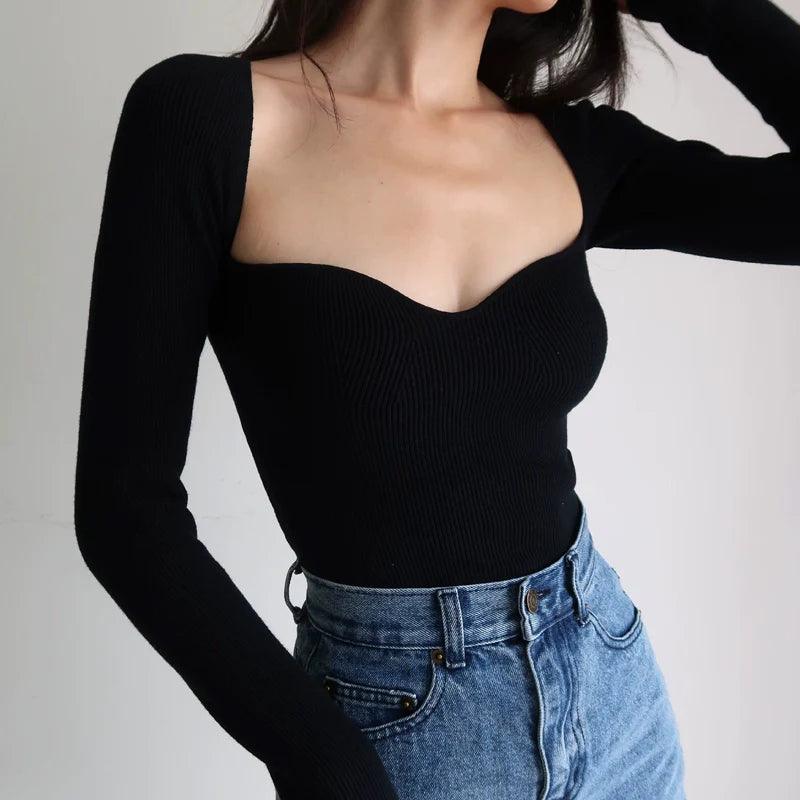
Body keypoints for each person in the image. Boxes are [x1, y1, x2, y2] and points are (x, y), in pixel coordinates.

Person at [73, 0, 799, 798]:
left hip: (613, 696)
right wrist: (322, 759)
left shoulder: (570, 146)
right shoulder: (210, 120)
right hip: (395, 731)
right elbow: (125, 509)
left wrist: (710, 11)